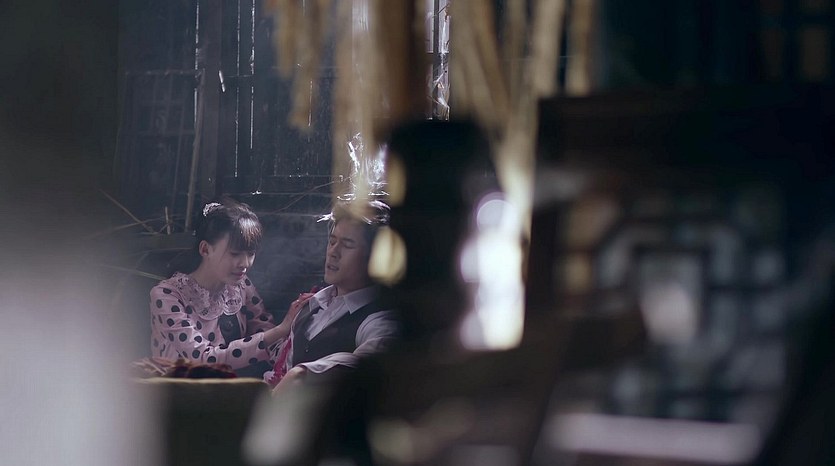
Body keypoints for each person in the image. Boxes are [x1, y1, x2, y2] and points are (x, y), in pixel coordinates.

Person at [149, 200, 312, 371]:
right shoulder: (166, 295)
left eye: (251, 253)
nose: (245, 263)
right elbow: (203, 358)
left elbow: (269, 341)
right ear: (205, 250)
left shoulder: (241, 285)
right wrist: (281, 329)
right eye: (235, 254)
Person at [268, 199, 398, 392]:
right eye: (332, 241)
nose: (333, 252)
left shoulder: (379, 320)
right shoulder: (310, 306)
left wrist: (304, 373)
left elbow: (368, 367)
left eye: (348, 244)